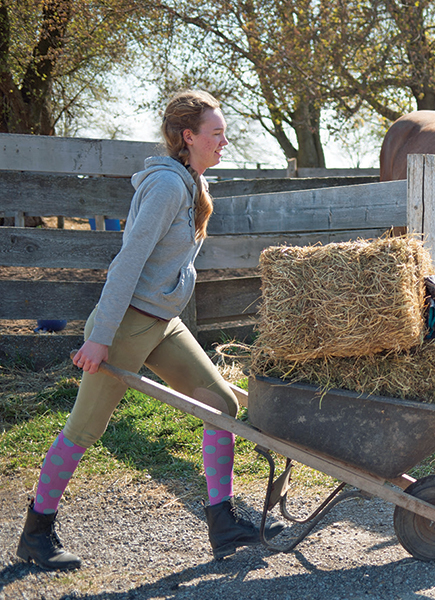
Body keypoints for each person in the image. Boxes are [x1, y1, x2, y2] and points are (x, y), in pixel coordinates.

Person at [16, 90, 284, 571]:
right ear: (189, 136)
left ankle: (222, 523)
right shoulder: (165, 188)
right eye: (216, 133)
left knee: (220, 405)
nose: (225, 141)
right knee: (83, 430)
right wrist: (99, 338)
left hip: (163, 324)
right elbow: (127, 264)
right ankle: (36, 533)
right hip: (124, 326)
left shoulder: (191, 184)